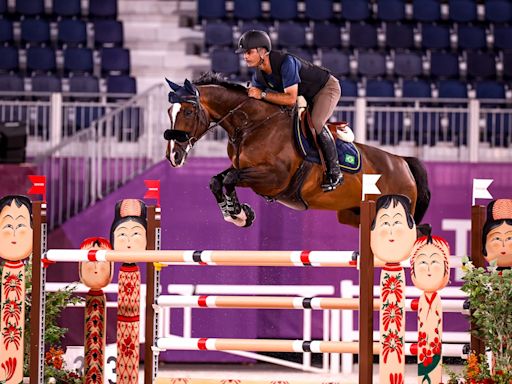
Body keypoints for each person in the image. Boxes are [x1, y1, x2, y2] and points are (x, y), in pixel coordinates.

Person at [235, 30, 343, 192]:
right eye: (244, 53)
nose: (245, 56)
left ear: (262, 51)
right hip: (307, 95)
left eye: (249, 52)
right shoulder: (259, 75)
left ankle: (335, 172)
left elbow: (291, 99)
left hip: (326, 89)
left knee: (316, 122)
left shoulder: (287, 62)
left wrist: (262, 94)